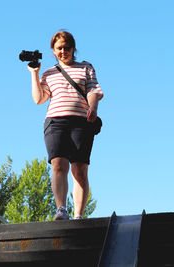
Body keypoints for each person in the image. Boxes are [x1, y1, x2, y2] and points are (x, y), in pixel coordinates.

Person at [27, 30, 103, 220]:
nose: (63, 51)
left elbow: (94, 90)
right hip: (55, 122)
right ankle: (61, 209)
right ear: (53, 50)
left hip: (81, 121)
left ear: (73, 48)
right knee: (58, 165)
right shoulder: (49, 72)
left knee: (79, 168)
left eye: (67, 47)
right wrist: (34, 74)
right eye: (59, 48)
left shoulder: (86, 67)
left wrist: (93, 108)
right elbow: (39, 98)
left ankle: (78, 214)